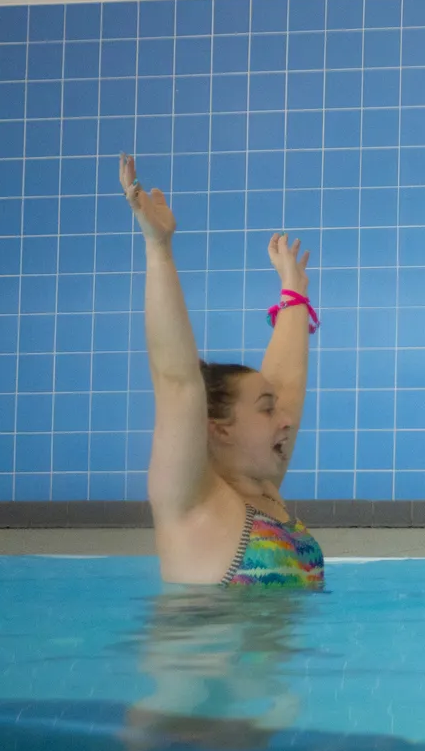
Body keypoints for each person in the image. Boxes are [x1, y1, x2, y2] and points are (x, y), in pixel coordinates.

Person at [120, 156, 323, 587]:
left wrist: (293, 292)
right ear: (220, 428)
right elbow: (178, 384)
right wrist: (158, 249)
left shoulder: (264, 487)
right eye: (266, 410)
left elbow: (285, 385)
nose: (286, 416)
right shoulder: (192, 502)